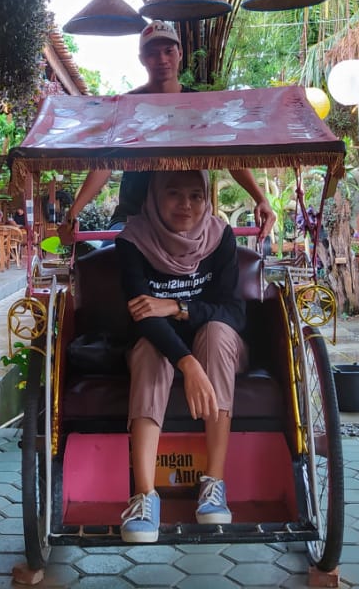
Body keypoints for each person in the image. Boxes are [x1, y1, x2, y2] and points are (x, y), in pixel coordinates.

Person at [59, 21, 275, 244]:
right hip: (133, 217)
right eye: (152, 54)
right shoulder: (126, 107)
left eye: (168, 51)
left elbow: (229, 155)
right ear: (142, 59)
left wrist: (261, 198)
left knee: (225, 258)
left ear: (179, 53)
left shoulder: (201, 105)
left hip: (188, 219)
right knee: (113, 262)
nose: (162, 59)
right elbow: (105, 163)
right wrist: (73, 212)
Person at [116, 170, 245, 543]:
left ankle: (214, 483)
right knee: (150, 351)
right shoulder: (133, 240)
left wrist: (177, 306)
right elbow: (141, 315)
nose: (186, 205)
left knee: (218, 333)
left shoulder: (220, 237)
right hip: (155, 344)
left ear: (207, 198)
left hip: (216, 345)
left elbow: (233, 312)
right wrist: (188, 365)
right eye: (173, 194)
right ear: (154, 196)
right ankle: (143, 496)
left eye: (195, 195)